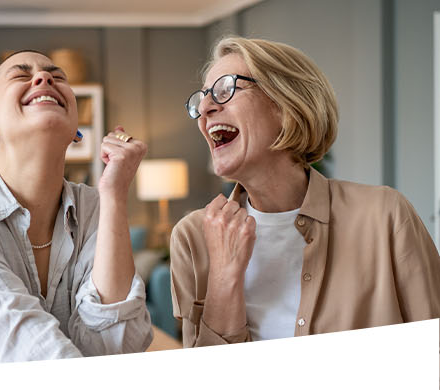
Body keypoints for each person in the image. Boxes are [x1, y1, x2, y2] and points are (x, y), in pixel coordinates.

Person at [170, 36, 440, 347]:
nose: (205, 108)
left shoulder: (385, 216)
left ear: (286, 105)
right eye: (202, 98)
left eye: (226, 89)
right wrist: (223, 276)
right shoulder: (191, 238)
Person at [0, 50, 152, 366]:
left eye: (57, 76)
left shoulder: (96, 206)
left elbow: (115, 350)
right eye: (21, 75)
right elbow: (15, 347)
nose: (44, 78)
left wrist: (115, 194)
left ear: (76, 130)